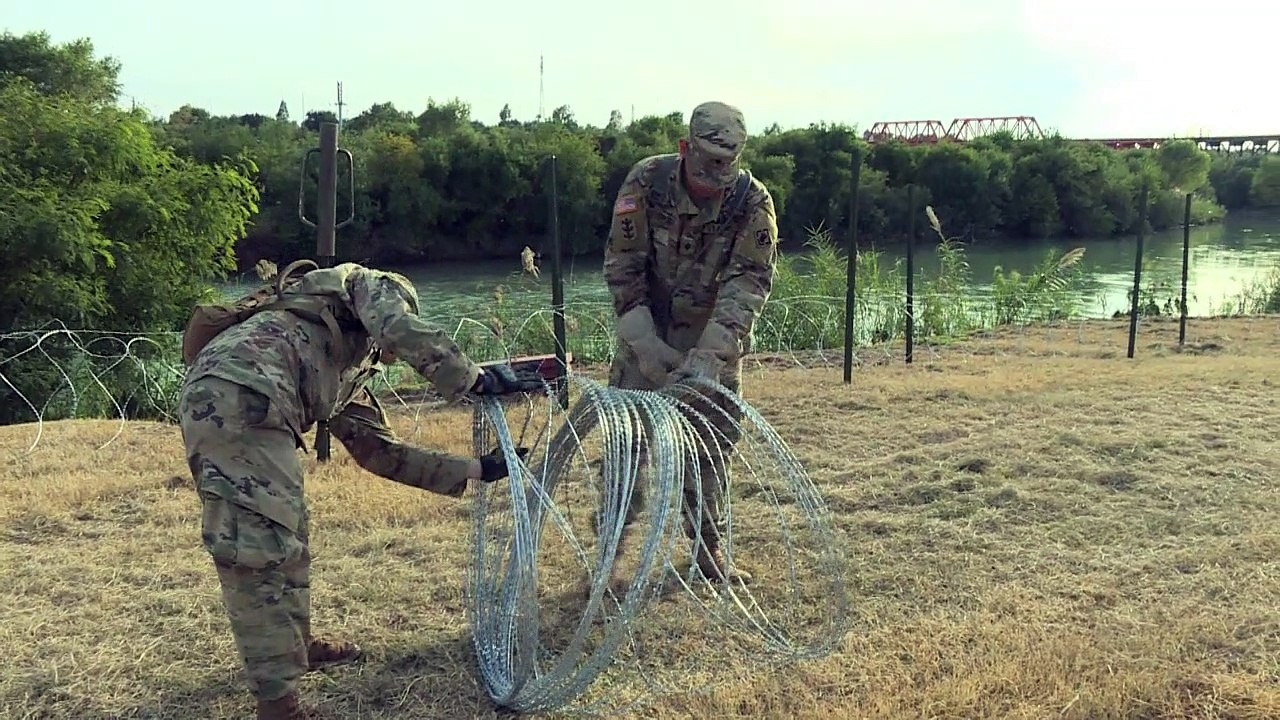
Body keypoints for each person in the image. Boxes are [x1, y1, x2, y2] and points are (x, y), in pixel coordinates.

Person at [178, 262, 542, 720]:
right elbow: (400, 328)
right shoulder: (368, 284)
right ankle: (278, 707)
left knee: (287, 537)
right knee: (259, 549)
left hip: (255, 398)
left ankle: (296, 647)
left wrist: (477, 469)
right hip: (236, 395)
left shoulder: (338, 355)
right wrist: (473, 378)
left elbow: (379, 453)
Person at [602, 100, 779, 584]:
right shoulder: (647, 182)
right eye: (708, 161)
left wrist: (709, 358)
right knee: (626, 446)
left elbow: (749, 283)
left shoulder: (752, 202)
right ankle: (607, 552)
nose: (718, 174)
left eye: (729, 161)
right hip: (648, 331)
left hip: (710, 339)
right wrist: (645, 344)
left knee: (710, 448)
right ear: (684, 148)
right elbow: (622, 265)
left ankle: (708, 549)